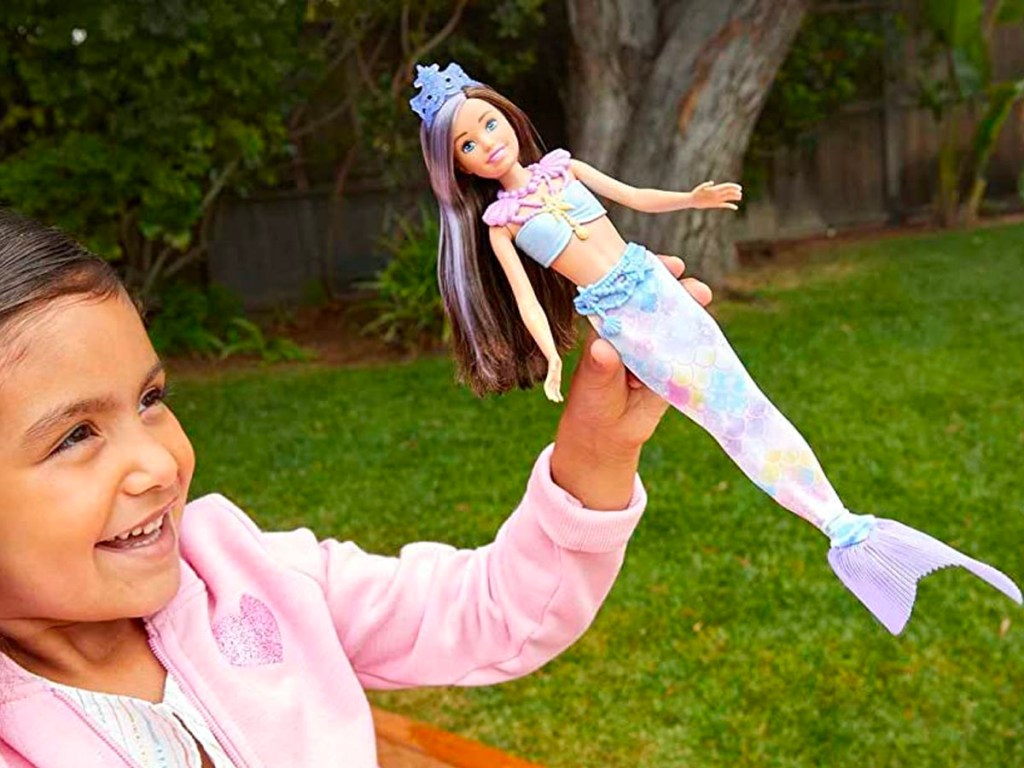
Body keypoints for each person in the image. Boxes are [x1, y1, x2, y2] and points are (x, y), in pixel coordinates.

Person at [0, 207, 710, 766]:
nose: (158, 464)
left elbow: (496, 612)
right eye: (74, 436)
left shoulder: (250, 575)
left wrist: (599, 452)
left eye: (150, 399)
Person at [411, 62, 1021, 635]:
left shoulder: (565, 170)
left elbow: (635, 195)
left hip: (654, 285)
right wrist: (547, 360)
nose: (487, 143)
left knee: (742, 400)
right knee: (718, 416)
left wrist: (690, 199)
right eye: (467, 145)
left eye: (488, 123)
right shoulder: (503, 225)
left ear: (509, 118)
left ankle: (841, 522)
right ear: (459, 168)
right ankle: (838, 525)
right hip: (623, 324)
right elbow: (524, 299)